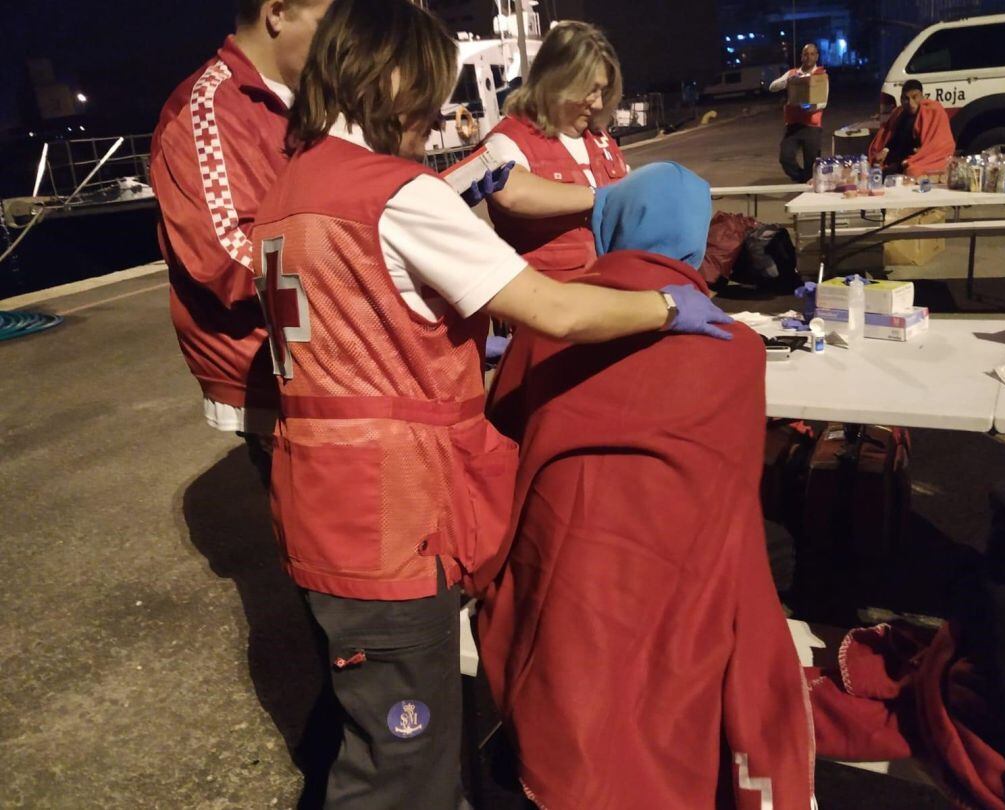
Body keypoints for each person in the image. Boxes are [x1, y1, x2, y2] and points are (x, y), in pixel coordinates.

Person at [250, 2, 735, 807]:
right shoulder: (396, 194)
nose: (439, 114)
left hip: (318, 497)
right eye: (433, 92)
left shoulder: (288, 189)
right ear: (395, 78)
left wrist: (469, 338)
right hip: (392, 518)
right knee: (402, 768)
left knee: (374, 728)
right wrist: (666, 310)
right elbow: (560, 309)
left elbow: (364, 320)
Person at [480, 163, 815, 810]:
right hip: (682, 584)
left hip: (565, 582)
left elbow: (503, 437)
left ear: (611, 225)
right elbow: (735, 484)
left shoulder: (547, 329)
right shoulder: (739, 349)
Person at [150, 0, 333, 483]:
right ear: (277, 12)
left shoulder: (306, 96)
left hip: (330, 349)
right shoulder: (207, 106)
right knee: (331, 531)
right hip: (276, 364)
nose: (341, 41)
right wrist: (373, 261)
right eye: (327, 23)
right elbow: (229, 259)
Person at [483, 21, 630, 278]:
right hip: (547, 306)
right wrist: (604, 197)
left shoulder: (599, 138)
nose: (597, 103)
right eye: (589, 90)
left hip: (610, 296)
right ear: (557, 81)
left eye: (602, 91)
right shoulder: (508, 140)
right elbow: (512, 193)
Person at [868, 79, 956, 177]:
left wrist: (920, 153)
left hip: (919, 158)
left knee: (911, 171)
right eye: (906, 99)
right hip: (897, 158)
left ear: (922, 96)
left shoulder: (932, 110)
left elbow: (939, 144)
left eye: (915, 97)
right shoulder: (899, 113)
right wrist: (884, 151)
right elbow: (892, 138)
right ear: (901, 99)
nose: (910, 103)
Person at [769, 43, 828, 183]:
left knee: (811, 163)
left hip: (812, 126)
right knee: (785, 158)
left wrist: (810, 107)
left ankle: (809, 190)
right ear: (801, 56)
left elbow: (823, 102)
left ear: (817, 56)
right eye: (806, 54)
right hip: (793, 126)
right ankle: (802, 180)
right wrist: (787, 82)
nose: (809, 57)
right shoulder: (792, 74)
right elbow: (772, 87)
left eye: (812, 54)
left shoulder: (821, 75)